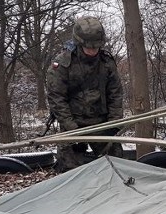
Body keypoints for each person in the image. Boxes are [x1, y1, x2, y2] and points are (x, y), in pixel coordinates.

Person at [46, 16, 124, 173]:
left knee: (117, 166)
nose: (92, 51)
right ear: (79, 43)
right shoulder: (62, 64)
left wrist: (114, 125)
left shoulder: (107, 63)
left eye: (96, 47)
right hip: (73, 124)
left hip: (102, 123)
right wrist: (71, 128)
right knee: (69, 171)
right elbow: (56, 98)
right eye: (89, 47)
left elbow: (115, 94)